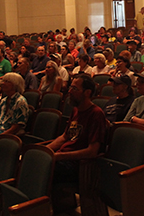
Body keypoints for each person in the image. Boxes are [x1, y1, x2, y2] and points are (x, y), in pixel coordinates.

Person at [47, 74, 107, 212]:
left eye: (74, 88)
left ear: (87, 93)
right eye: (70, 87)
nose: (69, 91)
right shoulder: (75, 110)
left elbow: (92, 151)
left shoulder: (96, 114)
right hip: (63, 158)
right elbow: (64, 137)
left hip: (77, 165)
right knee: (32, 161)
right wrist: (45, 151)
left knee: (41, 170)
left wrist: (59, 156)